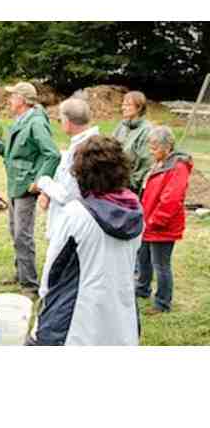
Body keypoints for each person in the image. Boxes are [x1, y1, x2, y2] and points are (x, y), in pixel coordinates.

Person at [31, 136, 142, 345]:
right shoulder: (135, 209)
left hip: (80, 318)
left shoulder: (76, 214)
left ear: (81, 174)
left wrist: (45, 303)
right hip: (122, 313)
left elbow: (53, 268)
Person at [0, 82, 60, 298]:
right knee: (15, 232)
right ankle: (20, 273)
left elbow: (52, 154)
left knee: (23, 235)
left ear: (22, 100)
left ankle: (30, 285)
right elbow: (11, 152)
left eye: (12, 96)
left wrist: (39, 181)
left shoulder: (36, 122)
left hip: (24, 187)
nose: (9, 100)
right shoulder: (21, 120)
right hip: (15, 185)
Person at [135, 126, 193, 315]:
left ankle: (162, 303)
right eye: (150, 147)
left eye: (155, 147)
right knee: (143, 257)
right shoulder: (159, 163)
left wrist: (155, 221)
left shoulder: (178, 166)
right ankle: (142, 289)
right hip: (147, 221)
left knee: (161, 265)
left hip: (161, 225)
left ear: (167, 147)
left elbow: (172, 199)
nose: (151, 152)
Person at [37, 93, 99, 239]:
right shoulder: (82, 144)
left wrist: (43, 182)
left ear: (67, 121)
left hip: (73, 226)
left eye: (60, 119)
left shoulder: (83, 150)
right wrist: (47, 194)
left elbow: (68, 194)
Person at [112, 91, 153, 195]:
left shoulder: (146, 130)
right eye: (123, 104)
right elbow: (110, 147)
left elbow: (145, 164)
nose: (123, 108)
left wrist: (131, 185)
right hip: (115, 178)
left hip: (130, 185)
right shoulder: (121, 125)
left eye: (128, 105)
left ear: (139, 108)